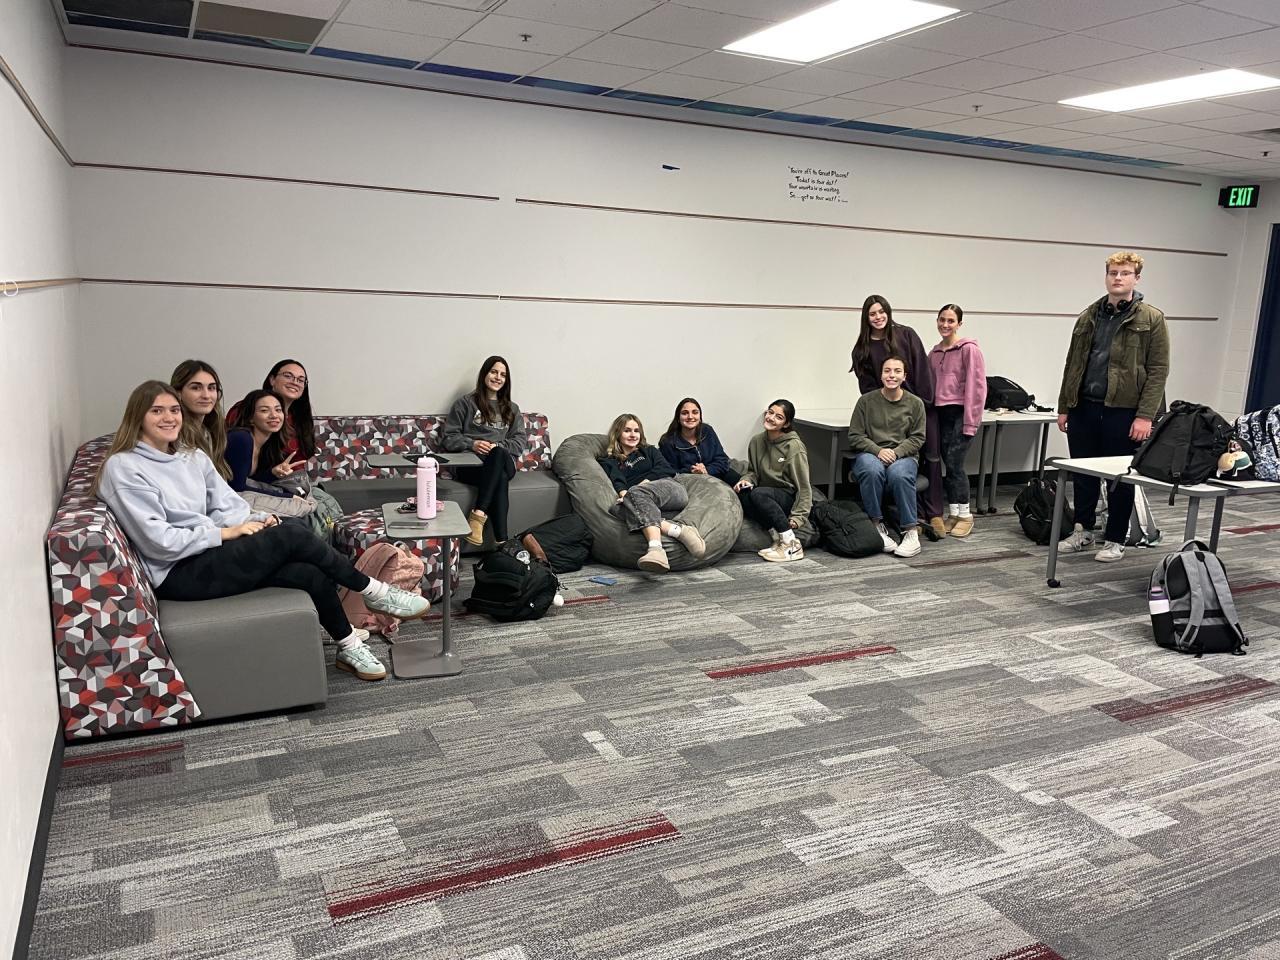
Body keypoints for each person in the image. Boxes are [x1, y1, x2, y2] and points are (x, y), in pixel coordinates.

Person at [95, 381, 428, 683]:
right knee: (292, 535)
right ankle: (374, 591)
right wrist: (226, 534)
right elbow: (158, 542)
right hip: (178, 572)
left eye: (173, 410)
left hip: (211, 553)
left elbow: (225, 503)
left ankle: (349, 646)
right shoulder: (124, 467)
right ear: (137, 416)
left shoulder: (191, 457)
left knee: (306, 572)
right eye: (157, 411)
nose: (169, 418)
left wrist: (257, 518)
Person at [1056, 251, 1170, 563]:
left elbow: (1158, 371)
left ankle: (1116, 538)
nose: (1118, 278)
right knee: (1083, 474)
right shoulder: (1089, 316)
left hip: (1124, 411)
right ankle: (1082, 530)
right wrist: (1065, 406)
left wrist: (1146, 416)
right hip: (1084, 407)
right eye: (1113, 273)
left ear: (1137, 278)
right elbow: (1072, 364)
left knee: (1119, 478)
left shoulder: (1151, 319)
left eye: (1125, 273)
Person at [849, 295, 944, 536]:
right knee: (894, 466)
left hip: (919, 407)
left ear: (888, 312)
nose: (878, 317)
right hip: (887, 413)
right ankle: (907, 516)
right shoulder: (862, 348)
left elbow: (922, 371)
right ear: (865, 317)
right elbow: (868, 390)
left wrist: (920, 405)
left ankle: (933, 514)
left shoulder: (906, 334)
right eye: (872, 313)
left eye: (882, 312)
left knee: (930, 459)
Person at [598, 413, 706, 572]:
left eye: (636, 431)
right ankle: (677, 530)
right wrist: (626, 496)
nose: (633, 434)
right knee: (615, 509)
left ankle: (656, 549)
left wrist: (640, 487)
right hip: (643, 501)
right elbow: (617, 481)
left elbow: (665, 469)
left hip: (670, 489)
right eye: (627, 430)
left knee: (634, 495)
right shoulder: (609, 461)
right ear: (617, 433)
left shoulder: (649, 451)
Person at [443, 356, 527, 547]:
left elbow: (520, 442)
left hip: (502, 461)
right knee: (500, 478)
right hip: (470, 467)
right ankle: (503, 543)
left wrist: (497, 446)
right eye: (494, 372)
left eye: (503, 375)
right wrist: (472, 444)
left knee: (498, 454)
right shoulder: (465, 404)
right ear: (484, 374)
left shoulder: (512, 409)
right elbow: (449, 438)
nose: (498, 377)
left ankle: (478, 514)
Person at [848, 355, 927, 559]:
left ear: (904, 376)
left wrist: (896, 452)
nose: (892, 375)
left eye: (897, 371)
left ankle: (910, 531)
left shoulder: (915, 403)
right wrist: (878, 451)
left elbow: (918, 438)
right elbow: (855, 436)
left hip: (904, 455)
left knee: (900, 474)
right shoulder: (866, 401)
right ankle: (877, 525)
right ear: (881, 375)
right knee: (871, 470)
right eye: (887, 371)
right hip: (871, 453)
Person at [928, 304, 986, 538]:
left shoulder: (969, 350)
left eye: (951, 321)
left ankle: (966, 515)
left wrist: (971, 421)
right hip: (941, 414)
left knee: (955, 463)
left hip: (962, 413)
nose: (945, 324)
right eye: (942, 319)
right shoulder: (934, 353)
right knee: (948, 464)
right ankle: (953, 513)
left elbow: (977, 387)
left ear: (959, 324)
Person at [733, 399, 812, 563]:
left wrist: (798, 517)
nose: (771, 418)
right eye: (770, 412)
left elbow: (804, 487)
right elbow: (753, 472)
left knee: (758, 494)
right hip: (765, 494)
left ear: (786, 424)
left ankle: (791, 543)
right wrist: (746, 480)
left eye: (779, 417)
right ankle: (777, 539)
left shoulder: (794, 447)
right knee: (743, 493)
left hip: (786, 496)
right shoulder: (756, 441)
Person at [228, 359, 316, 466]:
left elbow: (301, 461)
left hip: (290, 476)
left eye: (301, 380)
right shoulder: (246, 407)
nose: (294, 382)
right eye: (288, 376)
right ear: (272, 380)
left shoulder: (300, 418)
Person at [224, 389, 302, 494]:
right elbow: (237, 487)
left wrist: (273, 473)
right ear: (250, 418)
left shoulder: (267, 444)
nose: (274, 415)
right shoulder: (241, 438)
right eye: (264, 410)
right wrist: (288, 497)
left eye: (278, 410)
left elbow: (251, 480)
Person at [170, 359, 231, 480]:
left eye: (211, 388)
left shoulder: (209, 431)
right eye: (196, 388)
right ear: (178, 393)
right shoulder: (173, 434)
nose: (206, 395)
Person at [657, 397, 737, 484]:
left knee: (743, 485)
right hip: (690, 483)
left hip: (716, 474)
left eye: (695, 412)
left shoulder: (707, 431)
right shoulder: (667, 442)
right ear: (678, 418)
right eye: (685, 413)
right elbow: (670, 472)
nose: (690, 417)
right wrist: (693, 471)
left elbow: (723, 460)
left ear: (700, 416)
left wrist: (706, 470)